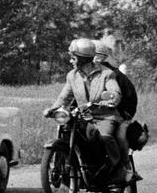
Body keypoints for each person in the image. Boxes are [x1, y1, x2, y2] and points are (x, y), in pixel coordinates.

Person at [47, 37, 130, 180]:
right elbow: (64, 97)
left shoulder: (106, 73)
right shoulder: (72, 76)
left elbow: (115, 91)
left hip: (105, 116)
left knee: (105, 137)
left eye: (73, 58)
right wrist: (52, 109)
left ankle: (118, 169)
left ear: (82, 59)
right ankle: (76, 166)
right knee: (68, 132)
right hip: (84, 117)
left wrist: (111, 100)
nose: (70, 61)